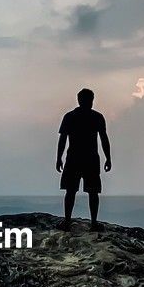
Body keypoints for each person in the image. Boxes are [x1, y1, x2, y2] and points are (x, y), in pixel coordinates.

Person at [56, 88, 111, 231]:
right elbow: (104, 138)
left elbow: (62, 139)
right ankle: (93, 223)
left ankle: (68, 222)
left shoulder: (70, 116)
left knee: (72, 190)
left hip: (74, 158)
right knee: (91, 191)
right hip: (90, 158)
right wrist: (108, 158)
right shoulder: (97, 117)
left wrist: (59, 158)